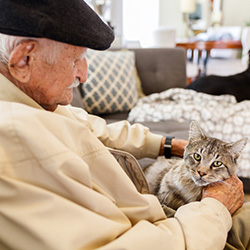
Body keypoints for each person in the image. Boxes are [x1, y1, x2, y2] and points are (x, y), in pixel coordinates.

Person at [0, 0, 249, 249]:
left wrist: (167, 144)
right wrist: (215, 207)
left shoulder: (37, 102)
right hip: (170, 233)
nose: (83, 75)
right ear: (23, 60)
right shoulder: (14, 142)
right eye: (76, 59)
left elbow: (96, 128)